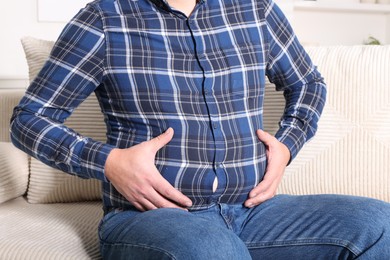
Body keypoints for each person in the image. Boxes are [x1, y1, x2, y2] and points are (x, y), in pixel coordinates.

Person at [10, 0, 390, 259]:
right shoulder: (105, 18)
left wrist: (287, 144)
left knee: (379, 224)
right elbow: (29, 119)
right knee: (212, 250)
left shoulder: (255, 9)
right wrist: (109, 162)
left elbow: (307, 83)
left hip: (255, 212)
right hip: (152, 219)